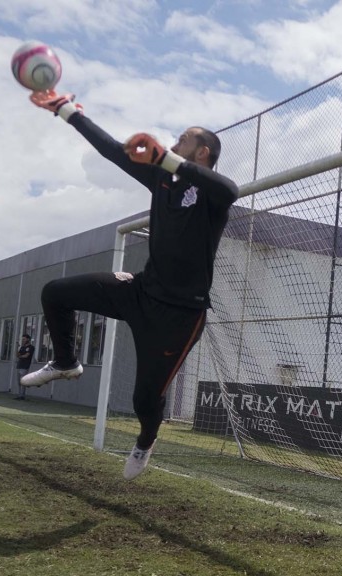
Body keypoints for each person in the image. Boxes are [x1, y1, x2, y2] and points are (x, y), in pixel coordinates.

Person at [20, 89, 239, 480]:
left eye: (183, 140)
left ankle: (145, 441)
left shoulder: (211, 194)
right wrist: (65, 110)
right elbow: (111, 150)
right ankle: (68, 363)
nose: (174, 144)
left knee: (145, 399)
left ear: (202, 151)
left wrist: (164, 157)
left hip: (180, 315)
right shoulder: (163, 182)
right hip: (140, 291)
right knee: (56, 291)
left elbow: (230, 190)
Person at [14, 333, 34, 400]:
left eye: (24, 339)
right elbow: (17, 355)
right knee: (19, 382)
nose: (23, 340)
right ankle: (19, 395)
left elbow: (26, 356)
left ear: (28, 339)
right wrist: (17, 347)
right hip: (19, 365)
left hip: (25, 366)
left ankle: (22, 396)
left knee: (23, 381)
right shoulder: (22, 347)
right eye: (22, 339)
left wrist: (20, 356)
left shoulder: (31, 347)